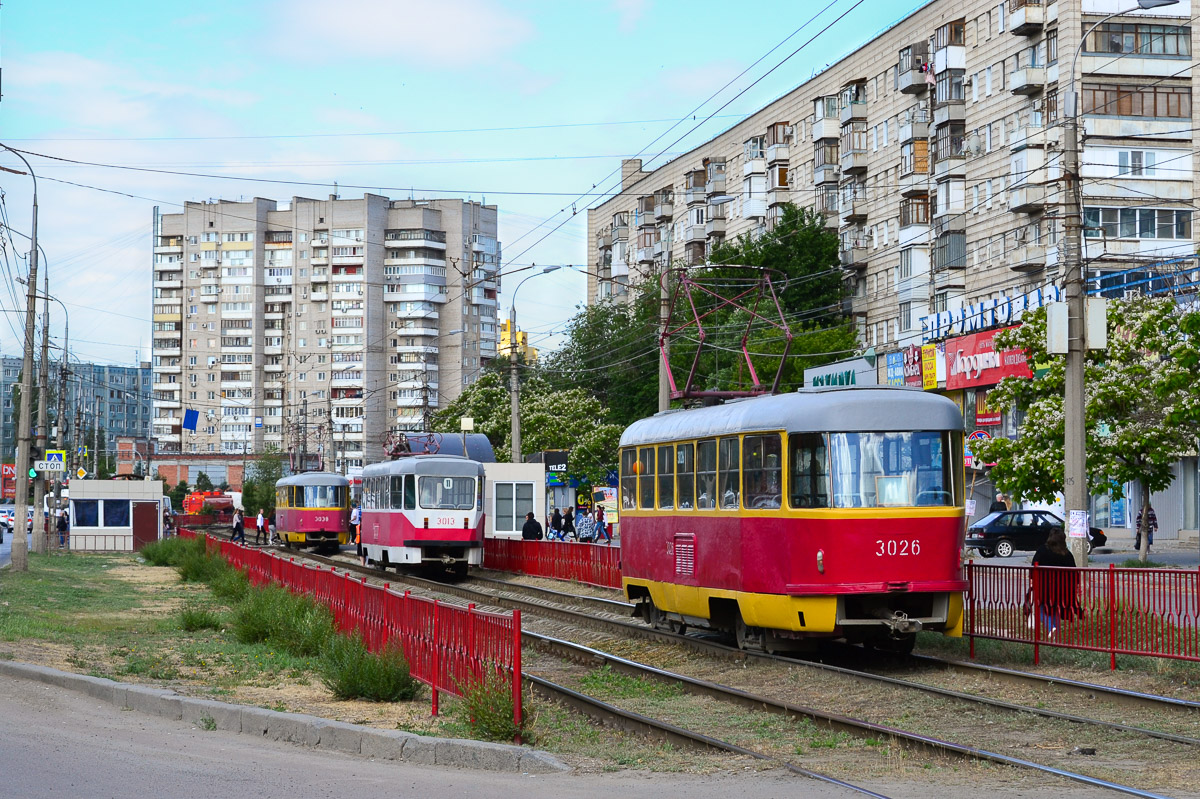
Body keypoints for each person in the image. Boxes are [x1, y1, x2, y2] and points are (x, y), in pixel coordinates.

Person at [1030, 526, 1080, 636]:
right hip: (1064, 589)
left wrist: (1032, 581)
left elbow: (1034, 567)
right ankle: (1055, 633)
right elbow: (1074, 571)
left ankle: (1051, 628)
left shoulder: (1043, 550)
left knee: (1041, 608)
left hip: (1045, 587)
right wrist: (1076, 587)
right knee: (1056, 609)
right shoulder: (1066, 554)